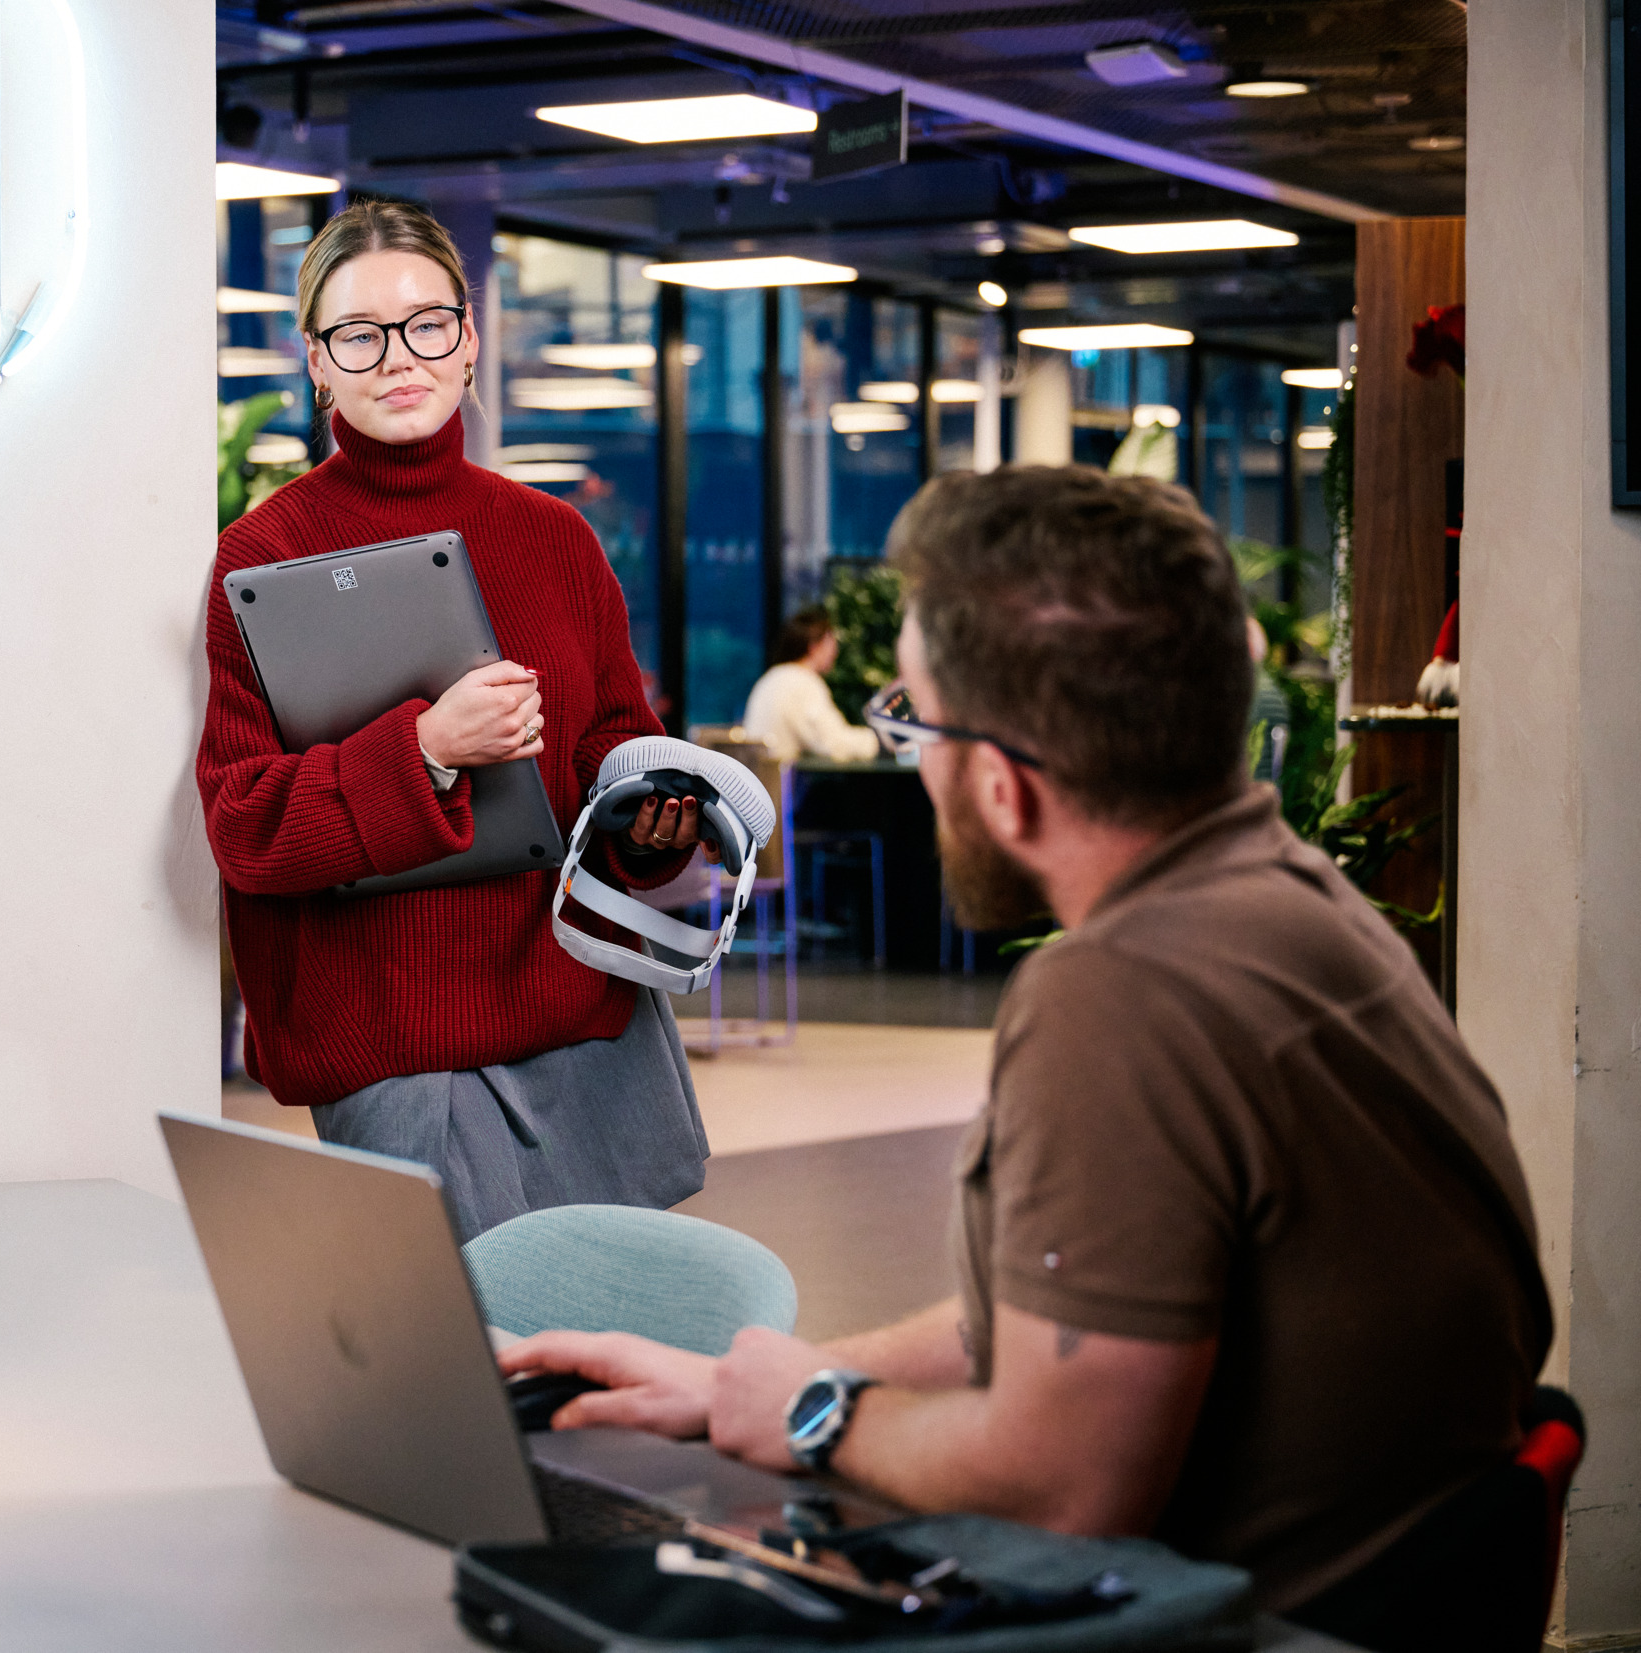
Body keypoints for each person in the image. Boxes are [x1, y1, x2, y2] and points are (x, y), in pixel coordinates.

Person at [501, 466, 1551, 1631]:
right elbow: (1076, 1327)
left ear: (999, 784)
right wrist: (752, 1384)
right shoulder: (1295, 907)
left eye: (914, 721)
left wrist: (818, 1416)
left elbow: (1071, 1485)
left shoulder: (1119, 995)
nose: (913, 757)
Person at [198, 199, 711, 1241]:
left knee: (606, 1359)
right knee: (460, 1371)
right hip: (392, 1047)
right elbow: (245, 826)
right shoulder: (263, 558)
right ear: (317, 362)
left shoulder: (553, 538)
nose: (399, 358)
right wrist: (426, 749)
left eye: (427, 324)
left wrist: (657, 811)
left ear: (469, 339)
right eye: (358, 335)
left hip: (579, 1022)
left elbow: (610, 738)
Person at [740, 607, 881, 764]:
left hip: (759, 781)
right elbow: (832, 742)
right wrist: (879, 740)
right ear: (813, 647)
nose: (835, 651)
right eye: (831, 642)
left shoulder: (771, 677)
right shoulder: (802, 681)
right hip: (782, 784)